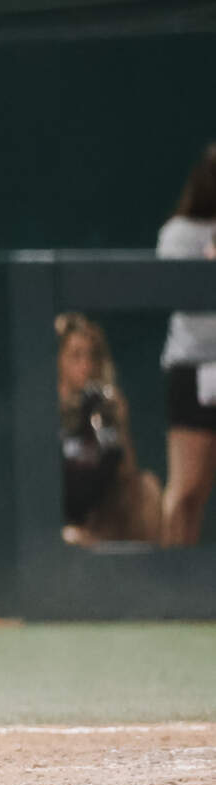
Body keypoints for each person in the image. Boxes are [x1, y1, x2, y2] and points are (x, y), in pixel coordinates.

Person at [57, 312, 162, 547]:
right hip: (59, 520)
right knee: (70, 535)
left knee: (147, 487)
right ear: (59, 360)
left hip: (97, 518)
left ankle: (147, 566)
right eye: (76, 355)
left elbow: (126, 476)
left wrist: (120, 424)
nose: (86, 365)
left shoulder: (103, 408)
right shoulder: (46, 409)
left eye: (92, 356)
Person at [158, 147, 216, 548]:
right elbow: (186, 306)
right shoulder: (179, 233)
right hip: (192, 367)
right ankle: (169, 574)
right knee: (187, 489)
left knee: (204, 489)